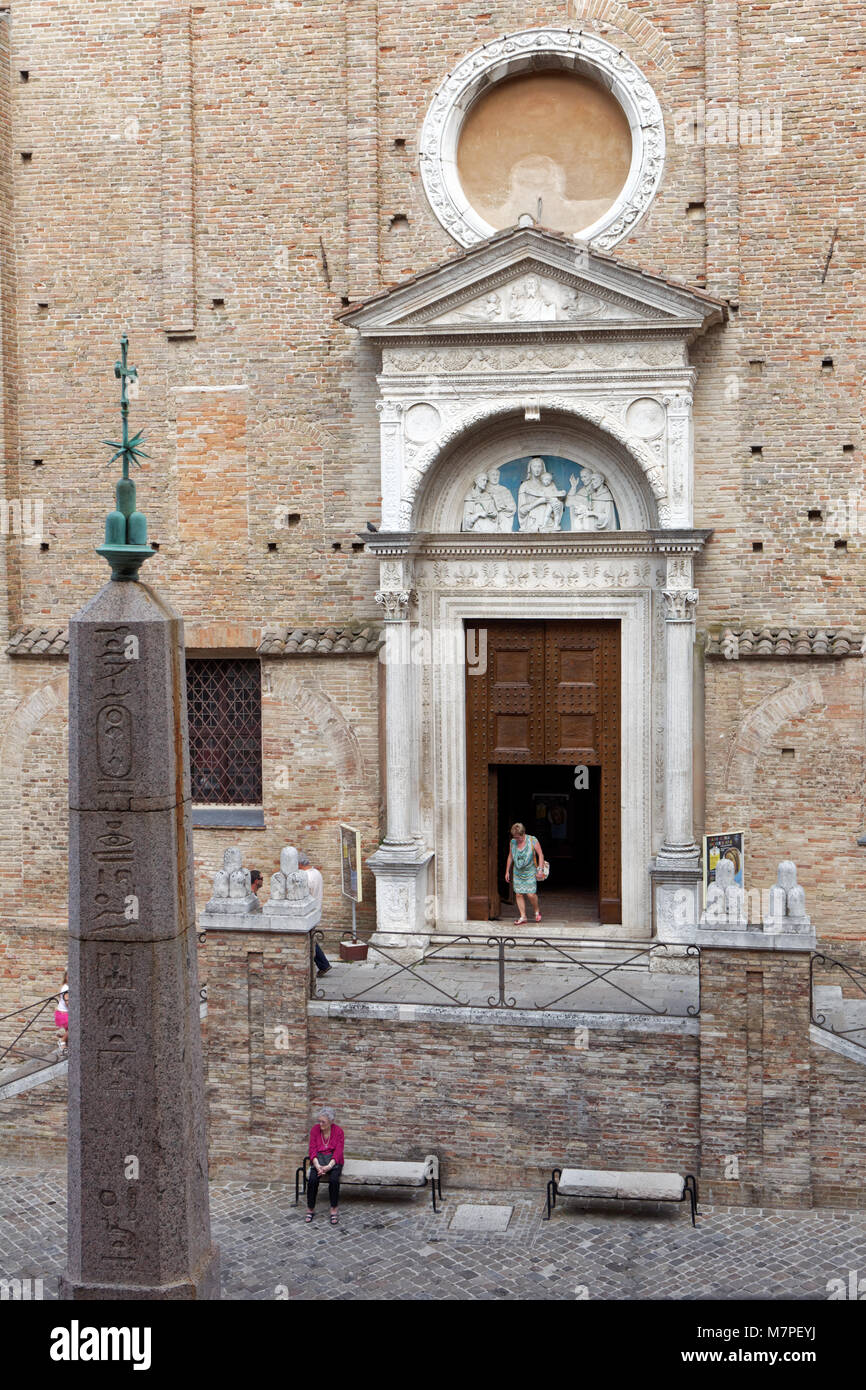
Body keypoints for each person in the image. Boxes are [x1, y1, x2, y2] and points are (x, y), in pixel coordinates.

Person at [306, 1106, 344, 1224]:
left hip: (333, 1161)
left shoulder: (338, 1131)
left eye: (323, 1122)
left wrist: (329, 1166)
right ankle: (310, 1208)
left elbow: (338, 1151)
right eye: (319, 1121)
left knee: (333, 1180)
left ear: (331, 1122)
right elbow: (312, 1149)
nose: (320, 1124)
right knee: (312, 1180)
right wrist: (317, 1166)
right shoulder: (315, 1130)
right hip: (318, 1160)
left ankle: (333, 1208)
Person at [298, 851, 332, 975]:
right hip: (316, 909)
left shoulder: (305, 877)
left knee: (309, 939)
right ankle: (323, 965)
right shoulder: (316, 872)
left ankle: (323, 964)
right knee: (311, 938)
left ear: (299, 864)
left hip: (309, 912)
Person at [505, 821, 545, 926]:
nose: (517, 839)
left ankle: (537, 911)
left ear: (524, 833)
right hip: (517, 871)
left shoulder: (532, 840)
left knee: (530, 894)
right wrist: (507, 871)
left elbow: (540, 854)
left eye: (519, 837)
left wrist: (540, 869)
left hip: (530, 870)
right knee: (518, 893)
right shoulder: (512, 842)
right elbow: (510, 856)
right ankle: (523, 916)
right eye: (515, 837)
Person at [54, 971, 69, 1055]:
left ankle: (66, 1045)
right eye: (68, 976)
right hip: (65, 1013)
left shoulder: (66, 986)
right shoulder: (66, 988)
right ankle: (62, 1041)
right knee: (74, 1027)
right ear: (65, 977)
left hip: (63, 1011)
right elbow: (68, 1002)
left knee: (69, 1030)